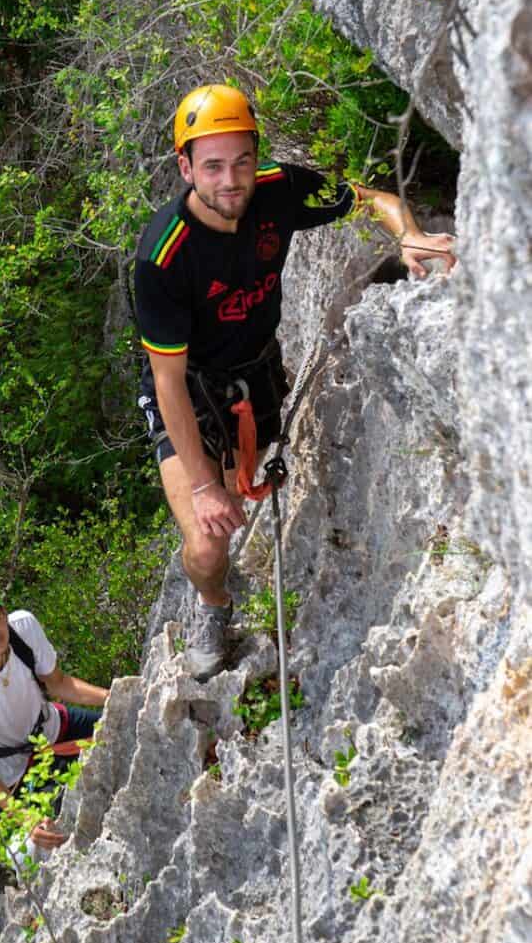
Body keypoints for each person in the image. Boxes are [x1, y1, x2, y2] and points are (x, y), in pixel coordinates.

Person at [134, 84, 456, 682]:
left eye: (241, 162)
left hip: (253, 377)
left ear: (257, 158)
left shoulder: (280, 193)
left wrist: (406, 232)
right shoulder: (165, 256)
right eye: (212, 166)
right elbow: (168, 380)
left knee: (235, 500)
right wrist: (202, 486)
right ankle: (211, 603)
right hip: (188, 392)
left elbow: (371, 199)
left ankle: (220, 534)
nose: (230, 180)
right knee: (207, 543)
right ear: (186, 167)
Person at [0, 575, 110, 891]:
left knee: (120, 725)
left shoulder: (23, 629)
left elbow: (58, 683)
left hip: (51, 726)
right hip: (6, 767)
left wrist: (115, 696)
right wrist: (25, 819)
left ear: (4, 612)